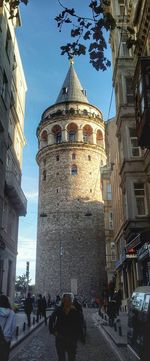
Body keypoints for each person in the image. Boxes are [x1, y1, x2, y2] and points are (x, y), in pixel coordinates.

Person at [49, 294, 83, 361]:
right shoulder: (59, 309)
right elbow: (51, 319)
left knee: (71, 358)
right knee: (63, 358)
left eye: (68, 301)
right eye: (66, 301)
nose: (67, 302)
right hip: (62, 338)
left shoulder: (74, 311)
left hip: (70, 338)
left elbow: (79, 323)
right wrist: (52, 331)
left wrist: (78, 336)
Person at [0, 294, 16, 361]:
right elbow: (13, 327)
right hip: (7, 338)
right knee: (5, 357)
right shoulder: (12, 313)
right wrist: (9, 335)